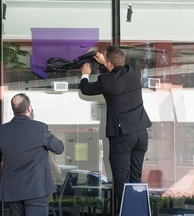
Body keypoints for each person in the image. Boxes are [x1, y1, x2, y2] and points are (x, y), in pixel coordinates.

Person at [79, 45, 152, 211]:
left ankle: (125, 212)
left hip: (123, 136)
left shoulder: (106, 81)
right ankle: (137, 212)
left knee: (121, 181)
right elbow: (118, 70)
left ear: (110, 64)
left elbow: (85, 89)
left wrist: (85, 74)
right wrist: (107, 62)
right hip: (141, 134)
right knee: (135, 179)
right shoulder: (134, 71)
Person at [0, 93, 64, 216]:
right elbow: (59, 148)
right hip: (36, 189)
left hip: (12, 190)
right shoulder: (40, 128)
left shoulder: (0, 131)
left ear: (13, 110)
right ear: (29, 108)